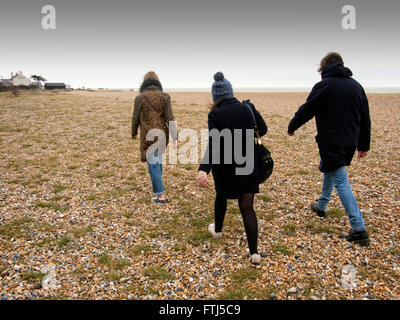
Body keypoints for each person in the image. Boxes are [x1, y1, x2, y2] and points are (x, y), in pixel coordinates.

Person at [287, 52, 371, 246]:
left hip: (331, 141)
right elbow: (365, 117)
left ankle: (358, 228)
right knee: (329, 169)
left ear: (324, 68)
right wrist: (363, 144)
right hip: (350, 140)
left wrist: (292, 126)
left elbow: (308, 109)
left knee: (340, 180)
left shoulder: (325, 85)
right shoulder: (356, 86)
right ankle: (321, 205)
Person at [198, 72, 268, 264]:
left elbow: (214, 144)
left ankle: (218, 231)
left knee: (221, 195)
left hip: (225, 166)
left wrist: (204, 169)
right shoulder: (248, 107)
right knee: (247, 207)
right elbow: (262, 130)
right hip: (248, 163)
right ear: (231, 92)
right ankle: (254, 253)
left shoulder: (215, 114)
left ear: (216, 98)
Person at [131, 71, 178, 203]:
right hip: (163, 134)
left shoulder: (140, 97)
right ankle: (159, 189)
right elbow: (170, 118)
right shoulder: (165, 96)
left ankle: (160, 195)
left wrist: (133, 132)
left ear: (144, 82)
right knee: (158, 161)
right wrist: (175, 137)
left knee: (153, 164)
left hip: (148, 135)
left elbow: (135, 118)